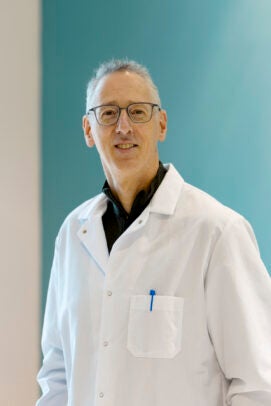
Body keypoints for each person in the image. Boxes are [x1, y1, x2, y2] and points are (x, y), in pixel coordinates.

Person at [37, 59, 271, 406]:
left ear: (161, 124)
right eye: (108, 113)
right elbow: (57, 376)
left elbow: (258, 383)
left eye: (138, 111)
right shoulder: (73, 234)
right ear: (88, 129)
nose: (124, 126)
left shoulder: (218, 232)